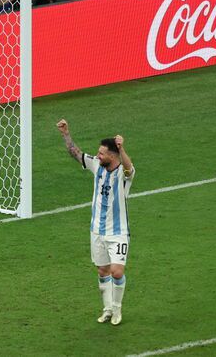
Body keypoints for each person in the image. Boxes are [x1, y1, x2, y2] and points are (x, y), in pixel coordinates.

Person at [56, 119, 134, 326]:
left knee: (117, 271)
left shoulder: (123, 174)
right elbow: (75, 153)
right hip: (96, 230)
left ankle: (117, 310)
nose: (98, 156)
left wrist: (122, 148)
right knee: (102, 271)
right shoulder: (96, 166)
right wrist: (66, 134)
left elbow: (129, 167)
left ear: (112, 155)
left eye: (102, 153)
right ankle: (107, 309)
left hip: (118, 232)